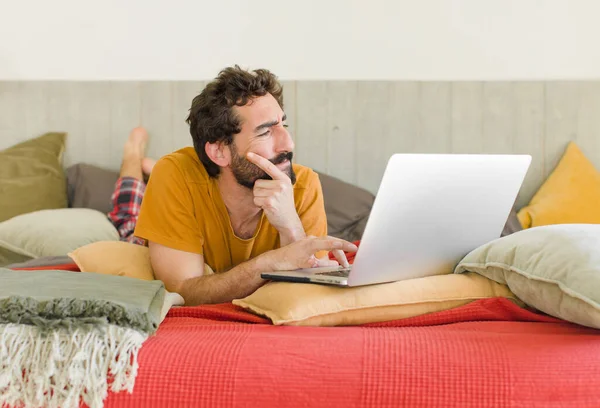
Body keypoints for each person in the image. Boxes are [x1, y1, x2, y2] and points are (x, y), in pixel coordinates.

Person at [109, 66, 357, 306]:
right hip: (156, 214)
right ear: (219, 151)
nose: (288, 144)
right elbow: (183, 291)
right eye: (265, 132)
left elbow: (305, 295)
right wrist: (270, 263)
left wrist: (290, 225)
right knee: (127, 218)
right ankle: (132, 157)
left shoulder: (305, 186)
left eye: (284, 125)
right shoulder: (174, 175)